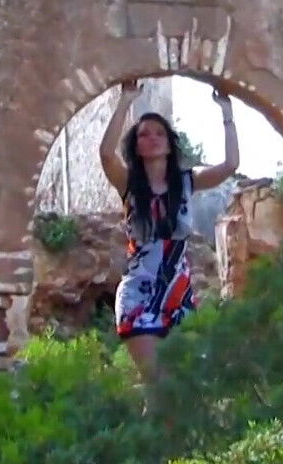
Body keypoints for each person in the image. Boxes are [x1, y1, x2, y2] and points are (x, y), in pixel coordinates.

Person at [99, 79, 240, 391]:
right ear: (136, 145)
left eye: (159, 133)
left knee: (183, 389)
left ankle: (168, 441)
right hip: (139, 295)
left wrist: (226, 112)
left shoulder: (187, 183)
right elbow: (107, 154)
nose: (152, 138)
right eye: (144, 134)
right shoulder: (129, 184)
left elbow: (231, 164)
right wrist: (126, 100)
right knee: (158, 385)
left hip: (179, 297)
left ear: (169, 142)